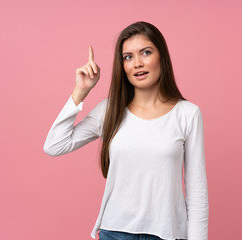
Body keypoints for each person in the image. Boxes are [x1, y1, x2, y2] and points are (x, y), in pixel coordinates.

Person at [43, 21, 209, 240]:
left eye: (146, 53)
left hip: (166, 234)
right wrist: (80, 91)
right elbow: (55, 145)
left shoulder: (187, 114)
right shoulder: (110, 110)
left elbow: (197, 192)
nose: (137, 63)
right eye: (128, 57)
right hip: (115, 232)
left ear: (162, 57)